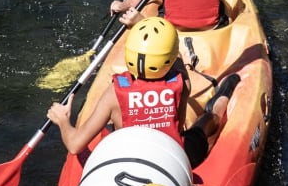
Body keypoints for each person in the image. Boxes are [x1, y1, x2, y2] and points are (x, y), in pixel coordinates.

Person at [47, 16, 239, 167]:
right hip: (177, 159)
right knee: (208, 119)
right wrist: (143, 23)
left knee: (109, 129)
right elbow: (175, 56)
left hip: (134, 163)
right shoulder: (183, 83)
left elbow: (74, 145)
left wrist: (63, 121)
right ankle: (223, 97)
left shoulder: (114, 93)